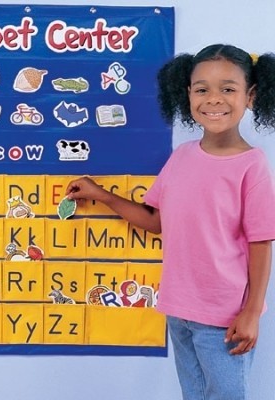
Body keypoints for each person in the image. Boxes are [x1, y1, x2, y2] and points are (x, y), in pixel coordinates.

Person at [66, 44, 275, 400]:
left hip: (224, 317)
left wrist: (252, 311)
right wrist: (101, 195)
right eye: (202, 89)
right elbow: (155, 220)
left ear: (250, 95)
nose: (214, 99)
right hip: (178, 309)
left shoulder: (251, 165)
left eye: (228, 89)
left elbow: (261, 242)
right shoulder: (182, 156)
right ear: (187, 94)